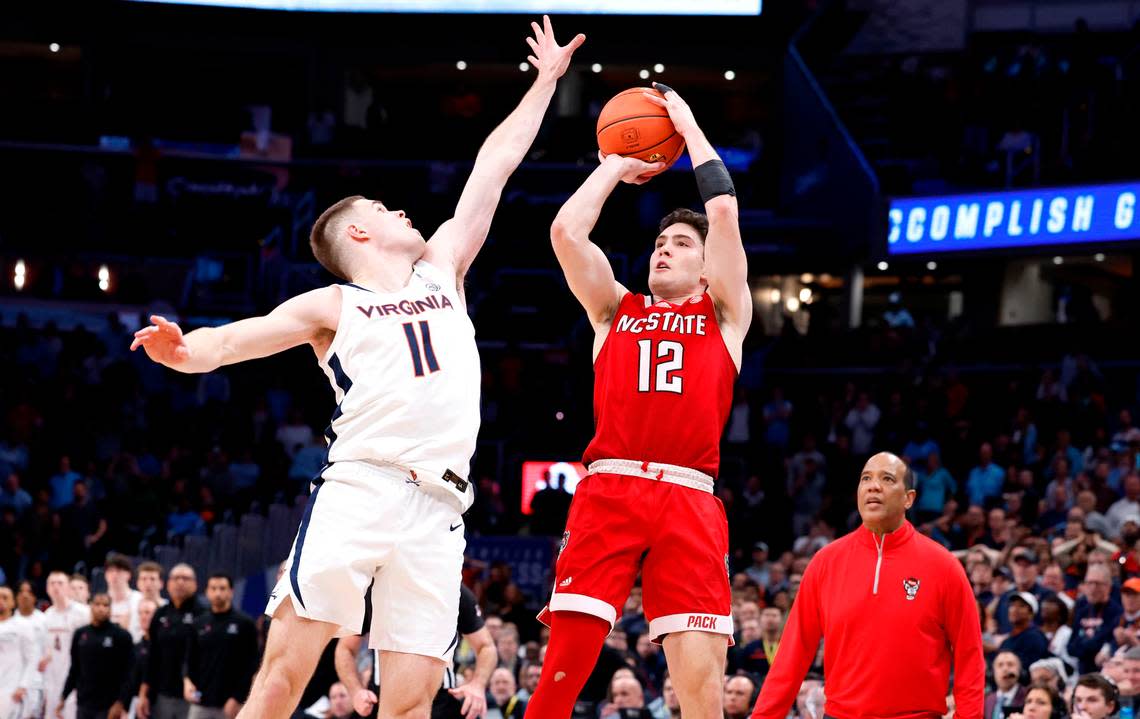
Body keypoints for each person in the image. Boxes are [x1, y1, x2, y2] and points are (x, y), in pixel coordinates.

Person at [131, 17, 583, 719]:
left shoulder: (442, 268)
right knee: (280, 679)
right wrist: (185, 349)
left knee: (409, 704)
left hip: (440, 508)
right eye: (383, 206)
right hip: (362, 486)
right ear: (360, 232)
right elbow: (236, 341)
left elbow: (493, 165)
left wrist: (545, 84)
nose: (404, 209)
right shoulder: (335, 301)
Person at [530, 82, 751, 719]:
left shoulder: (726, 316)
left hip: (690, 495)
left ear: (708, 268)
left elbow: (727, 214)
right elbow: (567, 233)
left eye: (682, 244)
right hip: (611, 489)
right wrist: (615, 167)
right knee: (559, 676)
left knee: (702, 691)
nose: (664, 247)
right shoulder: (613, 310)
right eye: (660, 242)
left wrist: (684, 120)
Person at [750, 452, 985, 719]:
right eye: (866, 478)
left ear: (909, 498)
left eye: (887, 478)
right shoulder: (826, 562)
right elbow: (792, 653)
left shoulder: (944, 566)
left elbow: (970, 656)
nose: (873, 486)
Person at [184, 574, 258, 719]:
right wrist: (187, 681)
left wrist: (237, 698)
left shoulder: (245, 624)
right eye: (213, 588)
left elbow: (252, 665)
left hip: (230, 704)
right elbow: (189, 658)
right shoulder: (198, 623)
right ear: (207, 592)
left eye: (222, 588)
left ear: (231, 591)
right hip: (200, 702)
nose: (218, 593)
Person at [139, 563, 206, 719]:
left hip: (192, 694)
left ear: (195, 584)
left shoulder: (204, 615)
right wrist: (143, 694)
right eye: (176, 578)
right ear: (168, 584)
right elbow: (151, 656)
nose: (180, 582)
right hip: (162, 693)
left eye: (185, 578)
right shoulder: (160, 614)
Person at [59, 593, 134, 719]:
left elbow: (129, 673)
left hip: (109, 705)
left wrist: (121, 702)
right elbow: (75, 668)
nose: (101, 608)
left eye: (105, 605)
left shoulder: (122, 636)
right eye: (97, 604)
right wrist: (63, 697)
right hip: (84, 703)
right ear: (90, 606)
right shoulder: (80, 634)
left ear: (111, 608)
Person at [44, 571, 92, 719]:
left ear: (68, 588)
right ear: (47, 588)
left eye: (60, 583)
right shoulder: (46, 616)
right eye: (52, 583)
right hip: (51, 680)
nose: (56, 587)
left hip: (76, 679)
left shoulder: (84, 613)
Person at [1068, 564, 1122, 674]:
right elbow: (1071, 648)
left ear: (1108, 586)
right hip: (1082, 671)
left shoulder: (1116, 612)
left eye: (1097, 583)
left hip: (1103, 672)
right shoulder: (1082, 609)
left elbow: (1107, 642)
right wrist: (1090, 645)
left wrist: (1084, 644)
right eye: (1089, 583)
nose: (1093, 588)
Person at [0, 584, 38, 719]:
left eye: (5, 598)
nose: (1, 601)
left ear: (13, 602)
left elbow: (32, 658)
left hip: (12, 689)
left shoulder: (22, 625)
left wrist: (23, 685)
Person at [14, 580, 48, 719]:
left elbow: (49, 650)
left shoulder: (43, 620)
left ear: (35, 597)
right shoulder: (9, 620)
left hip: (36, 680)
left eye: (29, 592)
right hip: (12, 679)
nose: (25, 595)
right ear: (16, 597)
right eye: (21, 592)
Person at [1001, 592, 1051, 669]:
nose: (1014, 609)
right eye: (1012, 605)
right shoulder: (1006, 641)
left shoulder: (1035, 637)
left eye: (1021, 606)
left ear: (1031, 614)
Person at [104, 554, 144, 642]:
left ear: (128, 575)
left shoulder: (140, 599)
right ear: (105, 575)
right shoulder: (100, 602)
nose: (114, 575)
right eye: (110, 571)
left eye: (119, 571)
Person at [986, 652, 1027, 719]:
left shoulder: (1028, 696)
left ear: (1020, 671)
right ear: (992, 672)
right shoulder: (988, 700)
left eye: (1010, 664)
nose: (1005, 669)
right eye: (1000, 665)